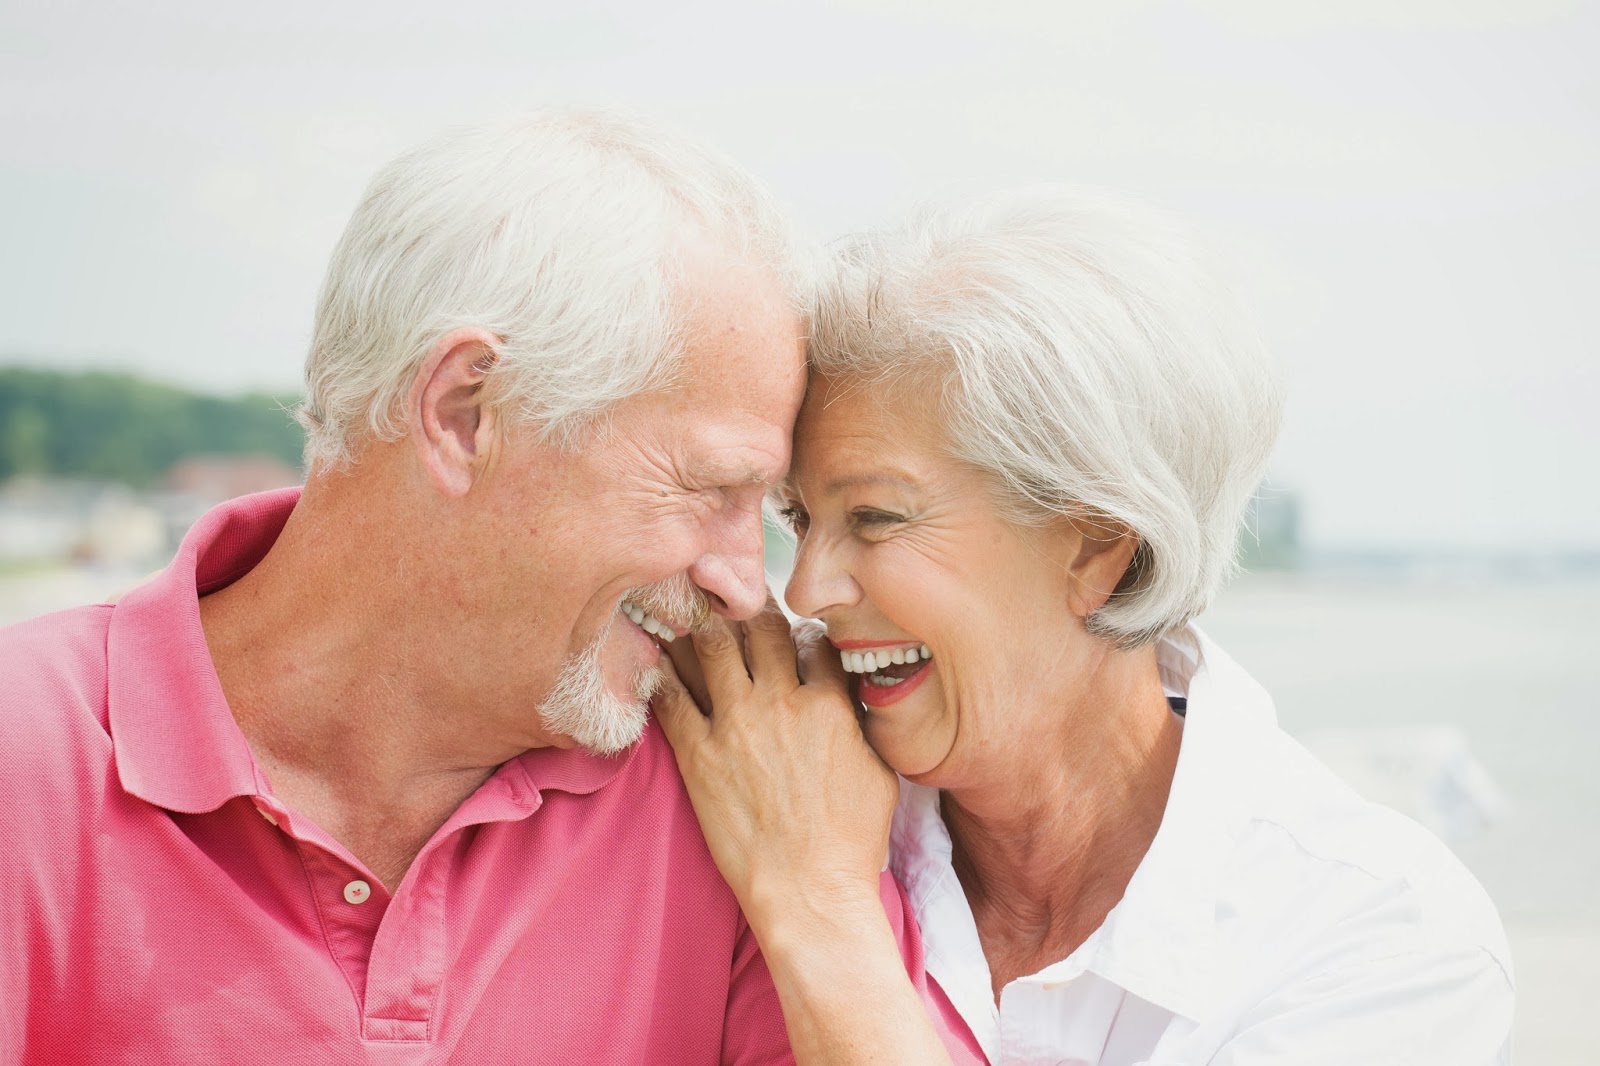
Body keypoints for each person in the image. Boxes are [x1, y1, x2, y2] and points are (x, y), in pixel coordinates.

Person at [0, 111, 968, 1064]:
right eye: (711, 489)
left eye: (763, 507)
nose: (743, 585)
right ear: (466, 413)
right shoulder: (28, 756)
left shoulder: (750, 788)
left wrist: (818, 901)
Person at [654, 187, 1516, 1064]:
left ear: (1099, 549)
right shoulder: (751, 777)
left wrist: (820, 908)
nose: (806, 588)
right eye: (798, 520)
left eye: (876, 518)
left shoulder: (1380, 942)